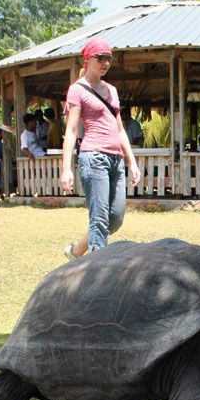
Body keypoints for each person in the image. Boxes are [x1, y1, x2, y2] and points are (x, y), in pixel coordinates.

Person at [60, 38, 141, 259]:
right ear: (88, 59)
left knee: (115, 217)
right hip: (93, 157)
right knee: (99, 218)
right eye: (101, 58)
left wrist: (132, 161)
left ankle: (77, 251)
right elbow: (72, 130)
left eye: (109, 59)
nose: (106, 63)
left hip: (116, 159)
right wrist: (66, 168)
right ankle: (96, 271)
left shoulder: (111, 90)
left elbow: (120, 129)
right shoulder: (77, 90)